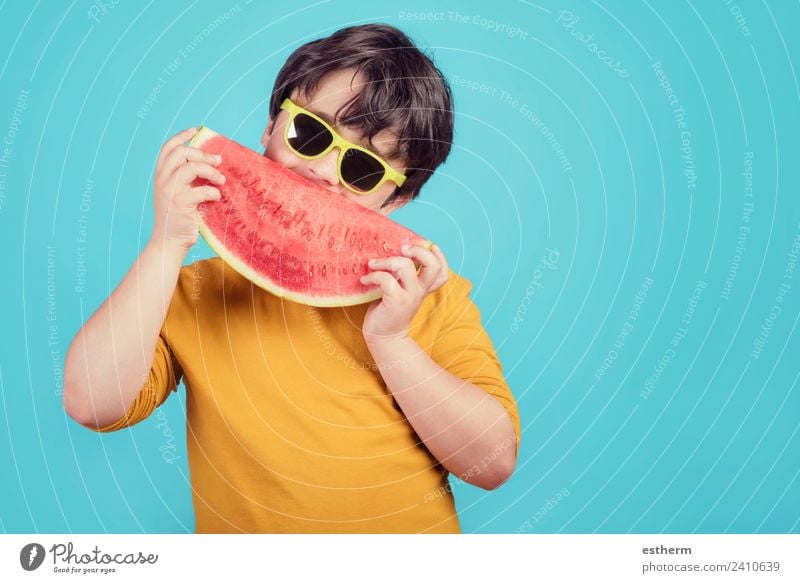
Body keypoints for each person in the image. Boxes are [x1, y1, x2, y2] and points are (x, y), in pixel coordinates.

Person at [63, 23, 521, 533]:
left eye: (363, 169)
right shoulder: (191, 293)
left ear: (396, 201)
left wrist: (391, 341)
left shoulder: (428, 296)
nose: (324, 171)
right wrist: (166, 243)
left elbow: (492, 462)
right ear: (270, 127)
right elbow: (92, 403)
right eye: (311, 133)